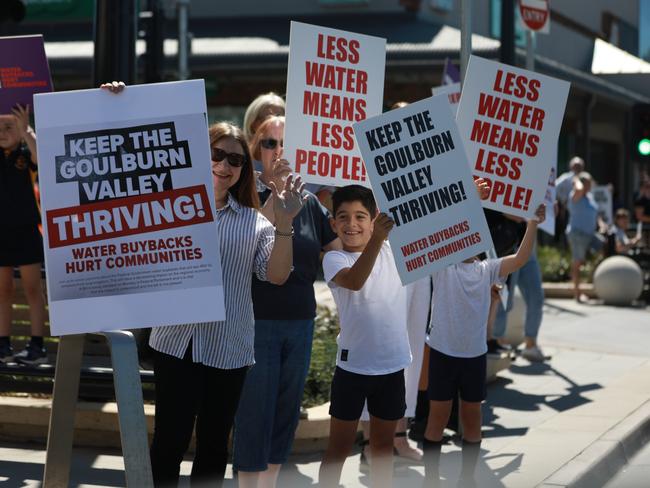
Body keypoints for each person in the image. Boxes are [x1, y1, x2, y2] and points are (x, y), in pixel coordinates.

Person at [103, 78, 306, 487]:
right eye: (217, 154)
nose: (225, 165)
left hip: (228, 350)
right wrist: (115, 106)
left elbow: (277, 274)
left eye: (235, 160)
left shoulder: (254, 222)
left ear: (243, 171)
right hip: (174, 343)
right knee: (168, 444)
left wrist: (283, 224)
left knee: (214, 448)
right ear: (200, 155)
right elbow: (128, 162)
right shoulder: (166, 205)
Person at [232, 115, 340, 488]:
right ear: (254, 151)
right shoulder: (241, 196)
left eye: (285, 143)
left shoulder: (310, 202)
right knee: (252, 411)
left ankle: (270, 482)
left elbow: (341, 252)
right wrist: (275, 202)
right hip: (254, 321)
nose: (278, 152)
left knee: (285, 410)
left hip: (299, 321)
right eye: (269, 143)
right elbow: (243, 242)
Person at [422, 204, 546, 488]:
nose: (469, 240)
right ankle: (430, 480)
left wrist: (532, 224)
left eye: (474, 235)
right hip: (442, 353)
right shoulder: (443, 266)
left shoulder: (488, 269)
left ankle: (467, 478)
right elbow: (437, 226)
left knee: (472, 418)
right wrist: (469, 201)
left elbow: (521, 257)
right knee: (437, 418)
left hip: (474, 357)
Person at [319, 185, 411, 488]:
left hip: (392, 366)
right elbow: (356, 281)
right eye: (343, 217)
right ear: (333, 224)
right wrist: (380, 238)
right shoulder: (334, 260)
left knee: (383, 449)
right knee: (339, 449)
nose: (351, 224)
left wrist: (467, 201)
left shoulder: (392, 249)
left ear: (374, 219)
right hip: (353, 370)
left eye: (361, 216)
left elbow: (430, 219)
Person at [0, 104, 48, 364]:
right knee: (2, 290)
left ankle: (37, 345)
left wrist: (26, 129)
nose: (3, 131)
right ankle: (3, 344)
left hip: (27, 230)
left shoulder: (26, 154)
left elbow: (42, 156)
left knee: (32, 288)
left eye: (9, 126)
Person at [490, 214, 547, 363]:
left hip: (526, 241)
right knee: (503, 299)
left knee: (536, 296)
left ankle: (530, 344)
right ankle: (497, 342)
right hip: (508, 241)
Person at [566, 172, 604, 302]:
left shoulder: (590, 197)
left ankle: (599, 279)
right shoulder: (575, 194)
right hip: (577, 234)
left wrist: (602, 224)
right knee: (577, 262)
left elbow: (595, 213)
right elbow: (579, 188)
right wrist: (577, 179)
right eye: (587, 183)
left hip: (590, 234)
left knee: (605, 246)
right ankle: (577, 294)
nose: (589, 185)